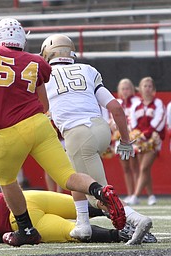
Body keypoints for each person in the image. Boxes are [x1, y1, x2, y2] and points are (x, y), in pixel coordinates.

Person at [0, 18, 127, 247]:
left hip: (8, 132)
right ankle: (100, 190)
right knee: (67, 175)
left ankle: (26, 229)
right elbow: (44, 104)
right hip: (39, 125)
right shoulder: (35, 62)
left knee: (6, 180)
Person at [40, 34, 152, 245]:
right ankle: (82, 224)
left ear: (47, 54)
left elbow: (42, 111)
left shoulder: (43, 75)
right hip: (100, 130)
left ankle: (137, 220)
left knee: (97, 193)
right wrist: (126, 141)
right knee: (73, 176)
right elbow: (116, 108)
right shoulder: (88, 70)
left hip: (78, 134)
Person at [0, 169, 157, 244]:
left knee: (74, 233)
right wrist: (1, 176)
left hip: (19, 223)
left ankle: (119, 234)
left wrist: (6, 236)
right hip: (23, 198)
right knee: (81, 206)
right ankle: (132, 218)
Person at [128, 77, 166, 206]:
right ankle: (151, 196)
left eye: (150, 86)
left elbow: (160, 120)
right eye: (145, 85)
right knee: (145, 169)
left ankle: (135, 196)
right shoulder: (136, 105)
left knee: (144, 167)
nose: (147, 88)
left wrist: (147, 134)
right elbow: (132, 121)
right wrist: (137, 134)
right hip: (140, 141)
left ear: (153, 89)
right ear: (140, 88)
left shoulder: (158, 103)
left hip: (153, 140)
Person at [110, 78, 140, 203]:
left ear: (132, 89)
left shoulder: (137, 102)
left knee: (135, 166)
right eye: (123, 88)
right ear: (119, 90)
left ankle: (136, 194)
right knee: (126, 167)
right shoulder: (117, 103)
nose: (125, 91)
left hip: (134, 138)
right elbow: (112, 121)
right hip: (120, 138)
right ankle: (130, 193)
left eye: (127, 88)